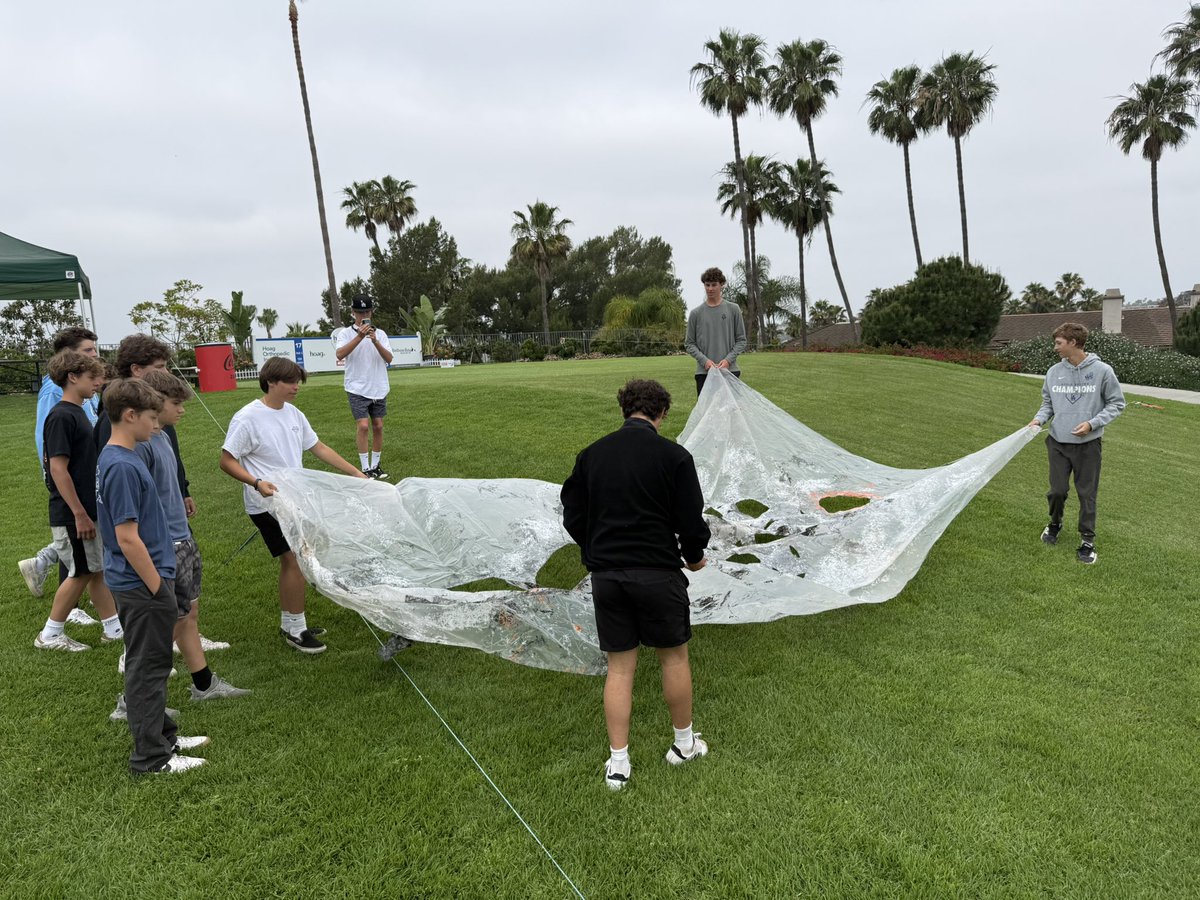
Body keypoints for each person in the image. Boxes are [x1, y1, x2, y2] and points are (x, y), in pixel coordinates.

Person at [561, 379, 712, 791]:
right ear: (661, 414)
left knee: (620, 668)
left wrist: (595, 547)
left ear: (624, 410)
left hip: (607, 577)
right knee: (674, 659)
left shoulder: (592, 455)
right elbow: (690, 520)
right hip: (658, 573)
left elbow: (573, 514)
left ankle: (618, 764)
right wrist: (695, 556)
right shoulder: (674, 456)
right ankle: (684, 744)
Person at [219, 357, 368, 654]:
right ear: (271, 382)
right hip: (266, 504)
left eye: (297, 381)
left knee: (296, 559)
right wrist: (256, 482)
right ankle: (296, 630)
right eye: (289, 382)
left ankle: (291, 623)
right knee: (295, 560)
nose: (295, 387)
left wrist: (355, 473)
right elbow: (226, 461)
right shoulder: (247, 418)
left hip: (293, 501)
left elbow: (318, 447)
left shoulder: (293, 414)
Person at [97, 378, 208, 774]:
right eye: (150, 417)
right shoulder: (123, 465)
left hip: (144, 581)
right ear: (130, 416)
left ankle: (164, 736)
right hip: (142, 584)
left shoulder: (120, 457)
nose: (157, 424)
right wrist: (158, 586)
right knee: (147, 669)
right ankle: (151, 757)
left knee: (155, 664)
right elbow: (127, 538)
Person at [126, 369, 248, 707]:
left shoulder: (163, 437)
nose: (181, 410)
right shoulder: (140, 446)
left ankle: (204, 684)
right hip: (163, 545)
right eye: (175, 403)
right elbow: (136, 505)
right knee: (162, 625)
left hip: (182, 539)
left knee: (187, 615)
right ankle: (132, 699)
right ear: (155, 403)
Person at [33, 350, 123, 652]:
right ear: (72, 377)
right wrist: (79, 513)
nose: (98, 382)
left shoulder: (78, 411)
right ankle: (50, 634)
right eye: (91, 377)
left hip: (87, 508)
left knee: (96, 569)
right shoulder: (61, 416)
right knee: (80, 572)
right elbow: (58, 469)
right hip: (73, 513)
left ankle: (113, 628)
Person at [1028, 322, 1126, 565]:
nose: (1055, 348)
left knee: (1087, 494)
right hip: (1057, 443)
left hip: (1087, 446)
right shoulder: (1053, 372)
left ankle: (1087, 541)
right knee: (1057, 491)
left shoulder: (1103, 371)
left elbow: (1117, 403)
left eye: (1059, 343)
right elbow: (1047, 403)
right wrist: (1038, 420)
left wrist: (1092, 424)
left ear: (1073, 343)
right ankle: (1055, 523)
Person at [19, 326, 101, 601]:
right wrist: (54, 475)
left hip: (86, 470)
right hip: (67, 472)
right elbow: (50, 440)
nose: (94, 354)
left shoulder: (86, 389)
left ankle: (42, 561)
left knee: (90, 536)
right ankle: (69, 605)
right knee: (77, 533)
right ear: (68, 357)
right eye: (88, 350)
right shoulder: (55, 392)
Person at [335, 293, 394, 479]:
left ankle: (376, 466)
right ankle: (365, 468)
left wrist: (375, 340)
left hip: (378, 386)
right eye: (360, 312)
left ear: (372, 312)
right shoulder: (345, 333)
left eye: (367, 311)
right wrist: (359, 337)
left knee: (378, 425)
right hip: (356, 387)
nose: (364, 315)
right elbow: (340, 354)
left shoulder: (380, 334)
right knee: (363, 426)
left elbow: (389, 358)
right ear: (353, 312)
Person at [685, 266, 747, 396]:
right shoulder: (695, 313)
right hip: (704, 374)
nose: (710, 288)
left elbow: (741, 340)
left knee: (731, 409)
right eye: (707, 285)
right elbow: (689, 343)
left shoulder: (733, 309)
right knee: (706, 410)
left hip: (730, 371)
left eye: (714, 285)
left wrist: (728, 360)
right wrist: (705, 362)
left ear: (722, 284)